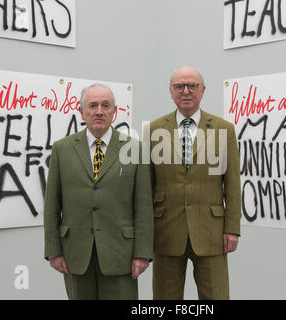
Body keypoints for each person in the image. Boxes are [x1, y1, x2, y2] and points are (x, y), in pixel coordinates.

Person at [44, 83, 153, 300]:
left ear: (115, 111)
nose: (99, 111)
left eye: (106, 105)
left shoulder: (135, 149)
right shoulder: (62, 149)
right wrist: (53, 251)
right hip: (76, 253)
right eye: (93, 105)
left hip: (120, 255)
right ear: (81, 111)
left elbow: (143, 207)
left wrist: (142, 255)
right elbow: (52, 205)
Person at [148, 66, 241, 300]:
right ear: (171, 91)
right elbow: (146, 187)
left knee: (216, 297)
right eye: (180, 86)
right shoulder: (153, 130)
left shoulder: (224, 129)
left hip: (211, 231)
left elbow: (232, 184)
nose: (186, 91)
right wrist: (144, 231)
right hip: (165, 230)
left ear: (203, 90)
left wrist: (232, 228)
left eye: (192, 86)